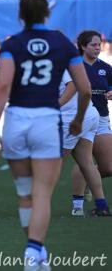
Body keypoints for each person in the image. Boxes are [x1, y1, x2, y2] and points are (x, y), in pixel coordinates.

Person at [0, 0, 91, 270]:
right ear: (47, 13)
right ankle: (34, 252)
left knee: (25, 194)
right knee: (43, 194)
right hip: (46, 121)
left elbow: (2, 87)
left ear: (21, 14)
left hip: (17, 119)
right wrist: (79, 119)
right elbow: (84, 88)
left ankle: (37, 254)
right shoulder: (63, 43)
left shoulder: (11, 44)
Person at [71, 30, 112, 215]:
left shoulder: (106, 68)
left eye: (99, 45)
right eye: (94, 45)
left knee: (108, 167)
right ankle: (78, 207)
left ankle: (90, 179)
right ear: (83, 46)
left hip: (102, 118)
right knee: (84, 161)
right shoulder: (74, 66)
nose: (98, 48)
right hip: (82, 117)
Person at [59, 69, 110, 216]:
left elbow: (73, 85)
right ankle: (100, 206)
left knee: (53, 166)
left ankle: (37, 205)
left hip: (72, 118)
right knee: (86, 163)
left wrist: (56, 104)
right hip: (88, 115)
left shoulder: (58, 61)